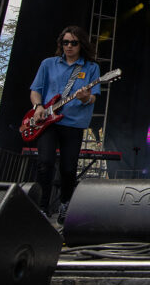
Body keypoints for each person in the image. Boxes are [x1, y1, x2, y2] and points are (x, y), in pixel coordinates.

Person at [29, 26, 101, 222]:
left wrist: (85, 97)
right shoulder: (48, 64)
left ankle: (65, 204)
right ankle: (41, 207)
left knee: (68, 168)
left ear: (81, 45)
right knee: (45, 163)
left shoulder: (91, 68)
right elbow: (35, 89)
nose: (69, 46)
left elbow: (93, 99)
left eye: (74, 43)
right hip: (47, 122)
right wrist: (38, 107)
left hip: (74, 123)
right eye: (65, 42)